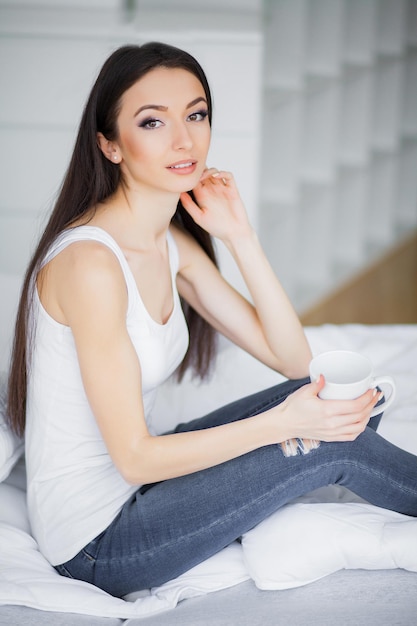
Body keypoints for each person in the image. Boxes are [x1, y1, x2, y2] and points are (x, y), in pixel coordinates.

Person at [6, 42, 417, 599]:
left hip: (147, 483)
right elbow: (132, 457)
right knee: (332, 440)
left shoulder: (166, 242)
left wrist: (239, 235)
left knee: (325, 402)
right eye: (153, 121)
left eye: (196, 114)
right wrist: (286, 426)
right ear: (109, 145)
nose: (184, 139)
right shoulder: (91, 266)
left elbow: (297, 362)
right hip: (97, 541)